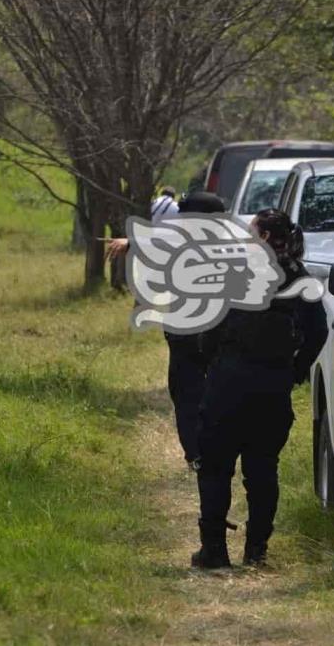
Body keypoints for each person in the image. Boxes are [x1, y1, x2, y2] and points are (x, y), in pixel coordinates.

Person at [192, 208, 328, 569]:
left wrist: (213, 364)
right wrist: (295, 371)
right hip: (272, 387)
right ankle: (256, 551)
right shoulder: (301, 277)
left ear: (265, 237)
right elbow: (319, 333)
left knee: (215, 467)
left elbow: (208, 326)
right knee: (264, 471)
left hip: (228, 384)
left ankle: (214, 551)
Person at [104, 191, 227, 467]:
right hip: (219, 337)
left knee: (187, 395)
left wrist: (131, 243)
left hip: (190, 336)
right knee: (210, 394)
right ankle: (210, 452)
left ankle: (198, 455)